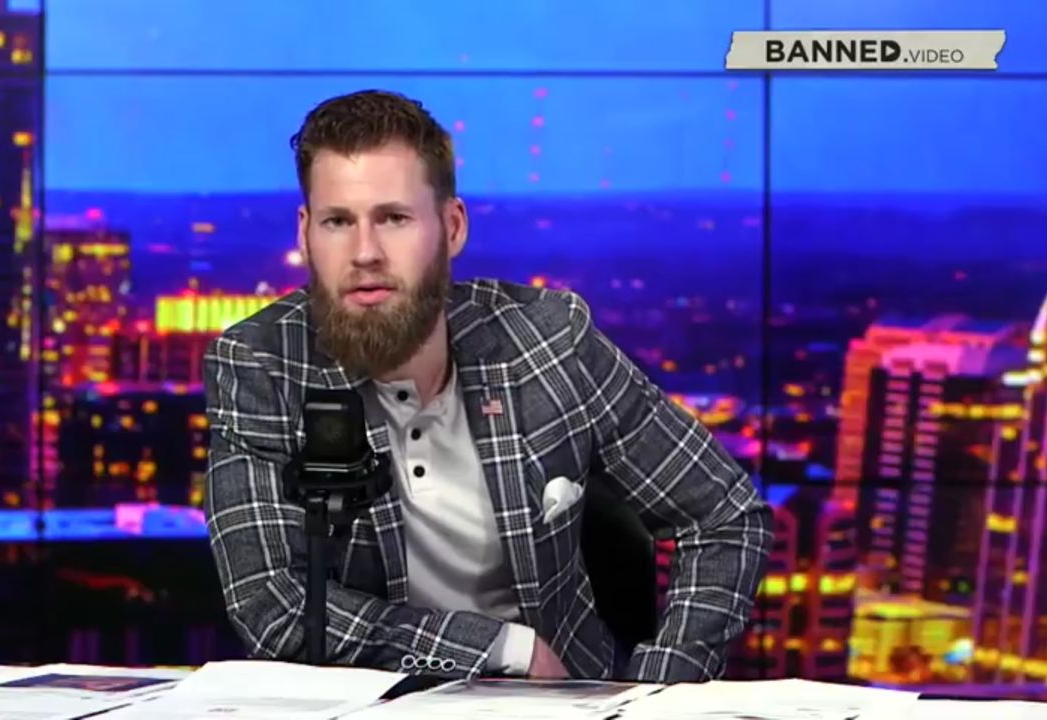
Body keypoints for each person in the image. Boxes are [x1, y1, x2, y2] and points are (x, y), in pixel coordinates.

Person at [202, 89, 773, 682]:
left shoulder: (549, 343)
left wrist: (659, 689)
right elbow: (272, 605)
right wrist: (500, 650)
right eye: (338, 221)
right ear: (306, 234)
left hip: (563, 706)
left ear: (451, 227)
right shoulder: (262, 364)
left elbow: (724, 514)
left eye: (394, 218)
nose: (365, 252)